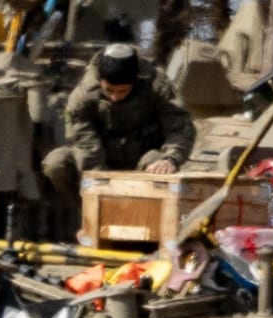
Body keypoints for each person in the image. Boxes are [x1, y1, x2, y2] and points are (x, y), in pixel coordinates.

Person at [41, 43, 197, 201]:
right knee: (57, 162)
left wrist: (171, 158)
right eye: (109, 90)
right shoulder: (83, 95)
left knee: (156, 163)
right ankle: (90, 211)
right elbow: (84, 143)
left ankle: (143, 214)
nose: (115, 97)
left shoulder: (157, 86)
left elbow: (180, 125)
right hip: (99, 158)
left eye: (122, 91)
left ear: (135, 81)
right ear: (100, 80)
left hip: (143, 159)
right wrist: (99, 185)